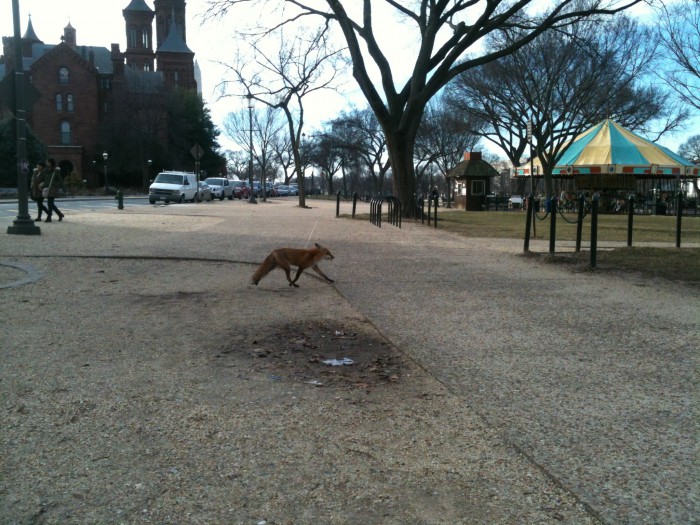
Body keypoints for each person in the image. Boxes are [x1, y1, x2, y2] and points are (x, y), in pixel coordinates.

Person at [40, 158, 65, 222]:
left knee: (50, 203)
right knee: (51, 204)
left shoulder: (55, 171)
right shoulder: (45, 170)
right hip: (47, 189)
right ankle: (59, 214)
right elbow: (44, 179)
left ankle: (49, 217)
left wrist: (64, 188)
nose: (46, 163)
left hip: (53, 189)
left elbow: (60, 180)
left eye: (47, 162)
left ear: (50, 163)